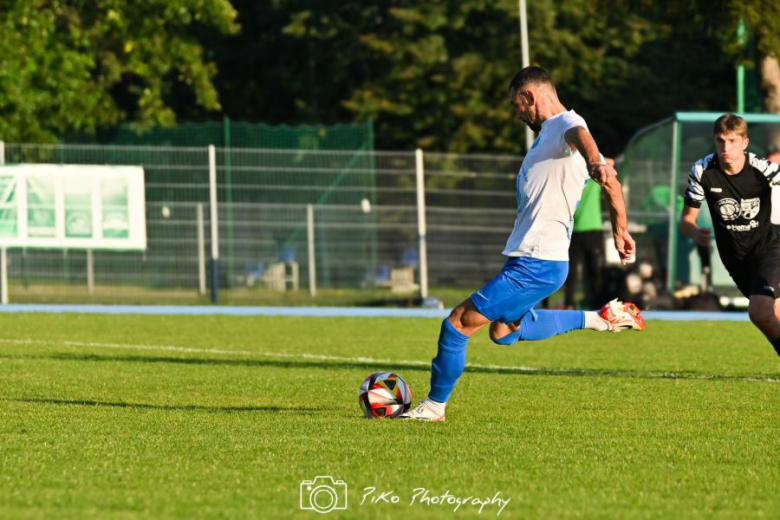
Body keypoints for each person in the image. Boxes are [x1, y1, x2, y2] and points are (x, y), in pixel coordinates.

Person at [399, 66, 645, 422]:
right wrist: (619, 229)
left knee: (456, 324)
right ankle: (601, 318)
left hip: (538, 262)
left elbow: (582, 136)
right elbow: (612, 185)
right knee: (503, 332)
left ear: (530, 96)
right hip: (533, 260)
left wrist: (595, 160)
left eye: (518, 105)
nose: (517, 114)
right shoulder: (548, 134)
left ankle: (435, 407)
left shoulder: (565, 124)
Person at [680, 114, 780, 358]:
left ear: (744, 143)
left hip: (770, 247)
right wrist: (695, 233)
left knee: (759, 311)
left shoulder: (763, 169)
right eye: (721, 141)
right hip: (735, 257)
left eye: (733, 141)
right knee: (773, 314)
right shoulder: (702, 170)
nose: (726, 148)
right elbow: (686, 221)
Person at [563, 172, 604, 309]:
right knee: (575, 270)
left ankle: (594, 301)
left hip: (590, 229)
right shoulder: (574, 181)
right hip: (577, 230)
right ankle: (570, 302)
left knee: (592, 270)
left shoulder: (588, 180)